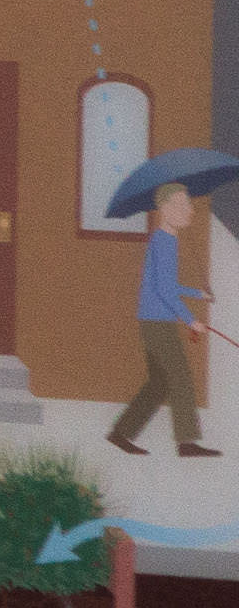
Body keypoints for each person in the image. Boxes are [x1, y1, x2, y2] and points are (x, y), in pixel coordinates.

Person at [110, 179, 220, 457]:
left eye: (189, 203)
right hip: (159, 323)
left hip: (154, 320)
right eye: (182, 204)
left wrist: (198, 294)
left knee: (159, 383)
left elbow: (168, 286)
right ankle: (187, 442)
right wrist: (191, 320)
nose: (189, 209)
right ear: (164, 208)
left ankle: (120, 433)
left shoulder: (165, 240)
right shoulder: (164, 241)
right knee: (181, 377)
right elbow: (165, 290)